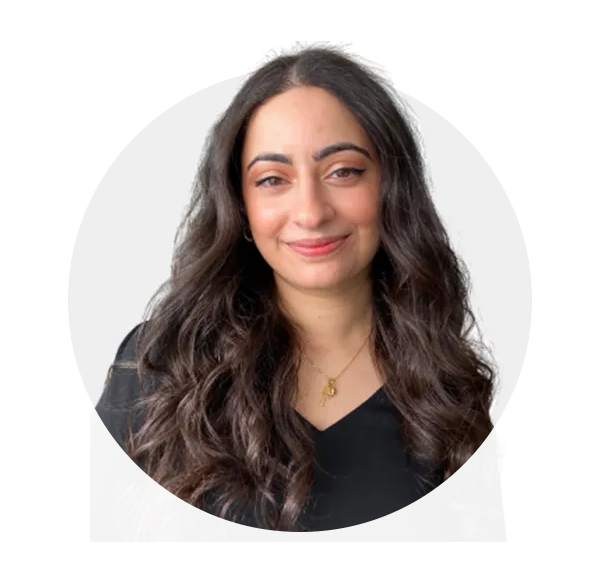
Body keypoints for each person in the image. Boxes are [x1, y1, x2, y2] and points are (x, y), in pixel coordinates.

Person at [88, 45, 507, 543]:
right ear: (240, 208)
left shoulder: (447, 389)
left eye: (343, 172)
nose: (311, 212)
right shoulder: (157, 369)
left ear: (391, 187)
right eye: (272, 179)